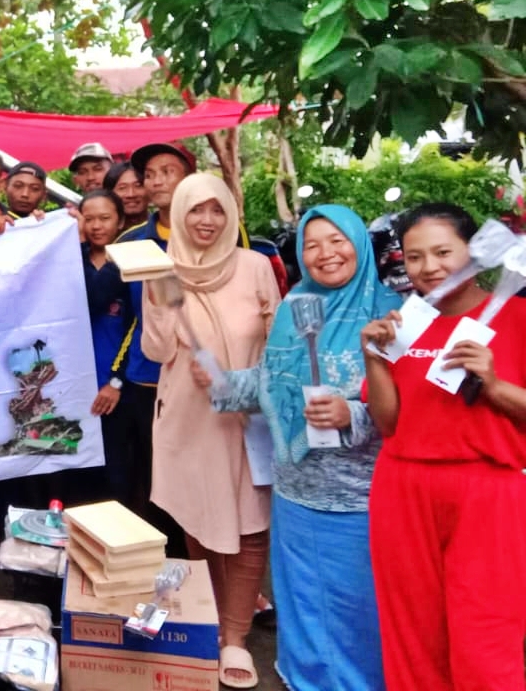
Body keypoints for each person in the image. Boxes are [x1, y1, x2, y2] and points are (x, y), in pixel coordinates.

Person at [210, 206, 398, 691]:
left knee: (357, 606)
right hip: (294, 492)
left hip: (360, 498)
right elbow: (275, 380)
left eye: (337, 240)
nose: (325, 254)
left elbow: (407, 407)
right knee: (302, 600)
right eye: (312, 244)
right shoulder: (297, 306)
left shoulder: (391, 313)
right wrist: (223, 384)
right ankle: (304, 678)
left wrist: (350, 415)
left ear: (359, 242)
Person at [363, 203, 526, 691]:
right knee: (411, 631)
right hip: (402, 487)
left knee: (485, 632)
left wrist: (494, 385)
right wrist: (372, 356)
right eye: (414, 257)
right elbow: (388, 424)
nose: (428, 268)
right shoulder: (403, 322)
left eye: (442, 252)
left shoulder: (516, 315)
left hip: (488, 492)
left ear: (474, 252)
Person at [141, 174, 278, 690]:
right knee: (199, 519)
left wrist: (244, 383)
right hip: (187, 418)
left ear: (230, 215)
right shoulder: (164, 269)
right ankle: (215, 621)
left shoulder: (255, 267)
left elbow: (278, 339)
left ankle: (237, 638)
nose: (206, 221)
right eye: (195, 210)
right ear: (178, 215)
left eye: (216, 210)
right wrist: (155, 297)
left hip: (246, 418)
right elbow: (157, 352)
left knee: (248, 525)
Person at [107, 141, 197, 532]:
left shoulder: (212, 233)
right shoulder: (130, 244)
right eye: (150, 174)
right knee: (147, 475)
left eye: (168, 171)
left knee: (192, 476)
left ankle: (195, 566)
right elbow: (123, 318)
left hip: (198, 379)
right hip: (146, 378)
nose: (157, 180)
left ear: (188, 179)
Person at [77, 190, 136, 501]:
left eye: (105, 218)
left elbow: (138, 327)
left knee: (118, 476)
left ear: (120, 221)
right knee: (78, 482)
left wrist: (116, 381)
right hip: (74, 391)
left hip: (114, 391)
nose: (96, 226)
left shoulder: (130, 263)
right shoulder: (68, 259)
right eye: (89, 219)